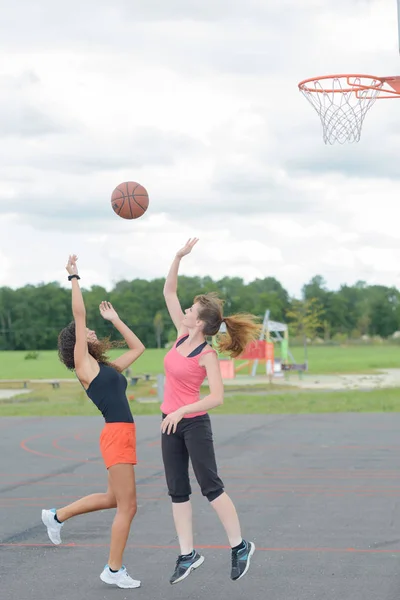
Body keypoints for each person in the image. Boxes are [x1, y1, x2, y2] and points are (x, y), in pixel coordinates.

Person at [41, 255, 145, 590]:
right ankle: (113, 570)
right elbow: (79, 313)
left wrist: (115, 319)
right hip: (116, 435)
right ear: (78, 345)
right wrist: (74, 277)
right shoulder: (84, 366)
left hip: (122, 435)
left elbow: (138, 347)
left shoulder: (109, 369)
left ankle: (57, 516)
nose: (92, 330)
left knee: (114, 500)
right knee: (128, 507)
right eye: (87, 331)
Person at [161, 238, 260, 585]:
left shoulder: (207, 355)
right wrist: (177, 257)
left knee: (211, 487)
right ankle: (187, 555)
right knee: (177, 491)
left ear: (200, 324)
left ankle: (240, 546)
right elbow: (169, 292)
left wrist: (182, 411)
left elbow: (216, 397)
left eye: (190, 311)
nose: (185, 312)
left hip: (193, 424)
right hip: (169, 422)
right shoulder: (179, 336)